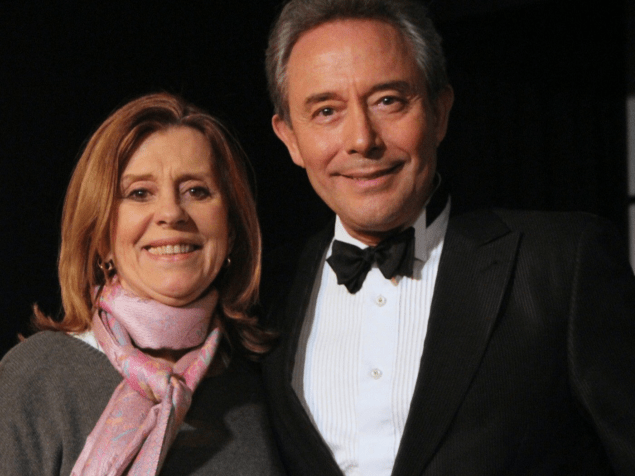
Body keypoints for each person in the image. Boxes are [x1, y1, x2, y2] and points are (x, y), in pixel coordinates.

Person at [260, 0, 635, 475]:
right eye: (327, 110)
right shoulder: (266, 294)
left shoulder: (563, 263)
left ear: (439, 112)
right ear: (290, 138)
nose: (362, 139)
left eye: (387, 101)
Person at [0, 92, 284, 475]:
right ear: (101, 238)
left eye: (196, 190)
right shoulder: (38, 376)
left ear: (231, 228)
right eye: (139, 193)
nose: (171, 213)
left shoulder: (264, 383)